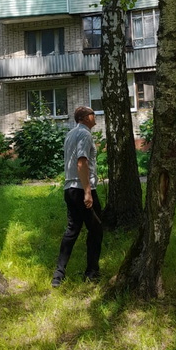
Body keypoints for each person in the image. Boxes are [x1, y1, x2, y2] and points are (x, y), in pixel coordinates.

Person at [51, 106, 103, 287]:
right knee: (96, 230)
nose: (95, 116)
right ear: (85, 117)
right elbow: (82, 163)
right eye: (93, 113)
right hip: (82, 189)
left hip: (70, 189)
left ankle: (58, 275)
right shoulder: (85, 134)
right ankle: (91, 273)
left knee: (72, 230)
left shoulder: (70, 134)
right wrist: (88, 192)